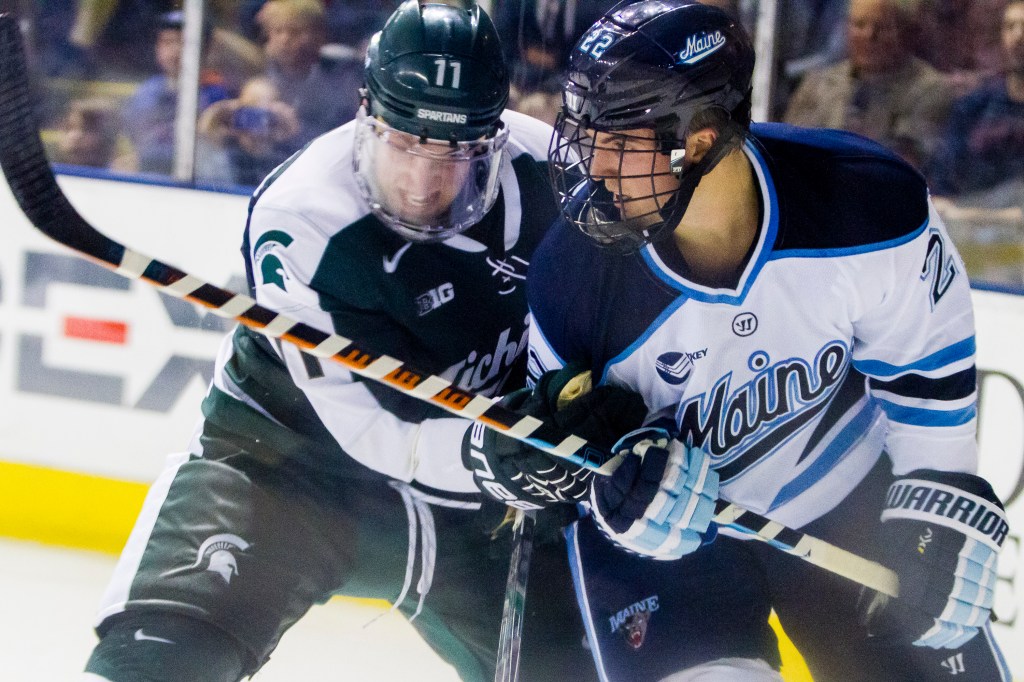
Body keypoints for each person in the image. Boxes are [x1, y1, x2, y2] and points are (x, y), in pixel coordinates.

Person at [466, 1, 1013, 680]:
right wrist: (611, 494)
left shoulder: (865, 203)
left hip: (842, 499)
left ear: (697, 141)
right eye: (584, 129)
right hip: (668, 553)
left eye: (617, 138)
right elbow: (572, 463)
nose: (592, 164)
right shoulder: (571, 273)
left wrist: (938, 494)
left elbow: (924, 372)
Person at [80, 3, 596, 681]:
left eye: (455, 151)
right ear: (365, 113)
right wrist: (490, 453)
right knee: (152, 668)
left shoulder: (553, 177)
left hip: (483, 508)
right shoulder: (304, 220)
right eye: (405, 143)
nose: (424, 181)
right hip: (290, 472)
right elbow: (376, 433)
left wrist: (576, 423)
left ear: (493, 136)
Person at [783, 0, 956, 171]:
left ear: (908, 32)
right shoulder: (818, 83)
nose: (869, 35)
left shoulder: (928, 90)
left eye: (882, 27)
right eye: (859, 25)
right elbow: (786, 147)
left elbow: (904, 165)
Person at [928, 0, 1024, 199]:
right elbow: (944, 178)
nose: (1018, 37)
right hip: (970, 218)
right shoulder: (973, 106)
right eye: (1010, 27)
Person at [120, 11, 231, 176]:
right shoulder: (146, 92)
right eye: (167, 42)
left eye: (185, 42)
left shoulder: (216, 95)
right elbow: (130, 143)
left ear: (205, 49)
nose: (175, 50)